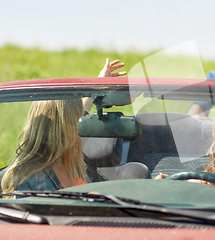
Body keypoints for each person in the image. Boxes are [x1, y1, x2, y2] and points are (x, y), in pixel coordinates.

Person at [1, 59, 127, 192]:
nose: (83, 125)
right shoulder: (26, 180)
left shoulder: (72, 163)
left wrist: (98, 83)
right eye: (79, 121)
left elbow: (78, 112)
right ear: (64, 129)